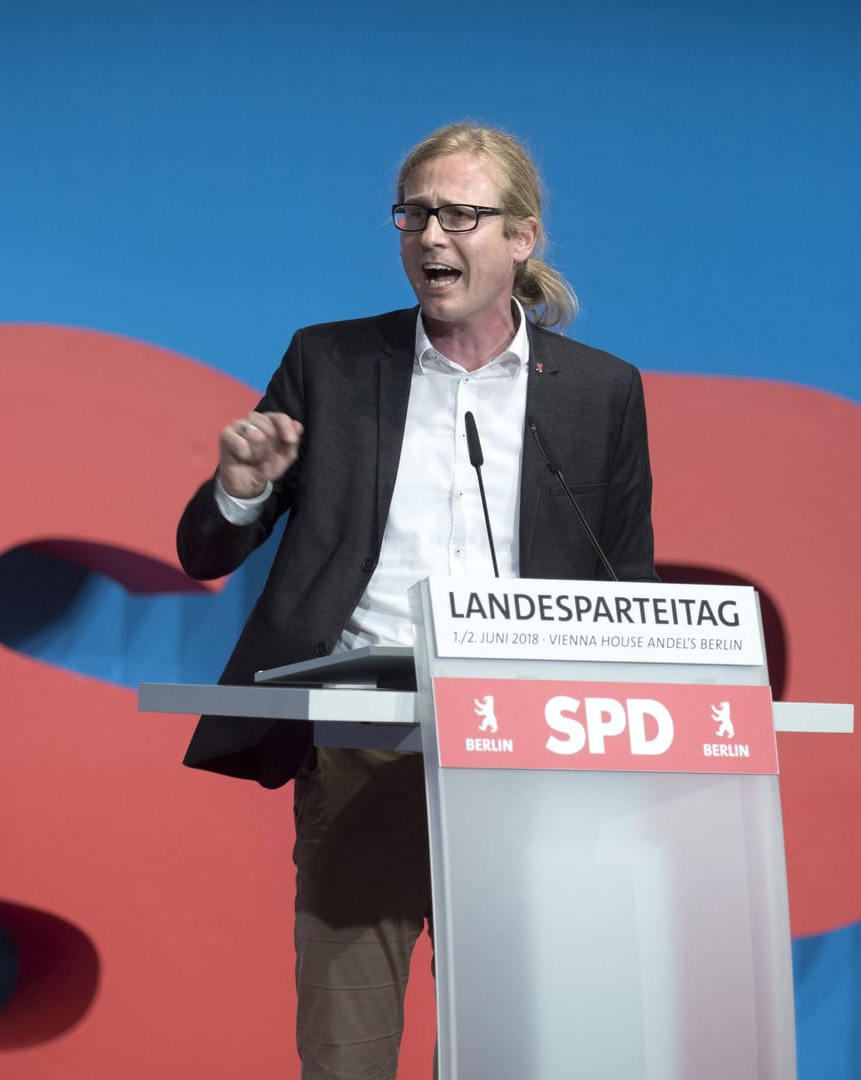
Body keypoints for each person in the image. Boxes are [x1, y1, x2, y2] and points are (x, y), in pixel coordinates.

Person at [174, 122, 657, 1080]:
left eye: (460, 216)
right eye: (414, 215)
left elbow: (627, 583)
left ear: (521, 238)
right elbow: (205, 550)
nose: (431, 238)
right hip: (364, 735)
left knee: (514, 1046)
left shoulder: (602, 392)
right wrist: (244, 485)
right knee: (346, 1052)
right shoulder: (332, 363)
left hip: (530, 747)